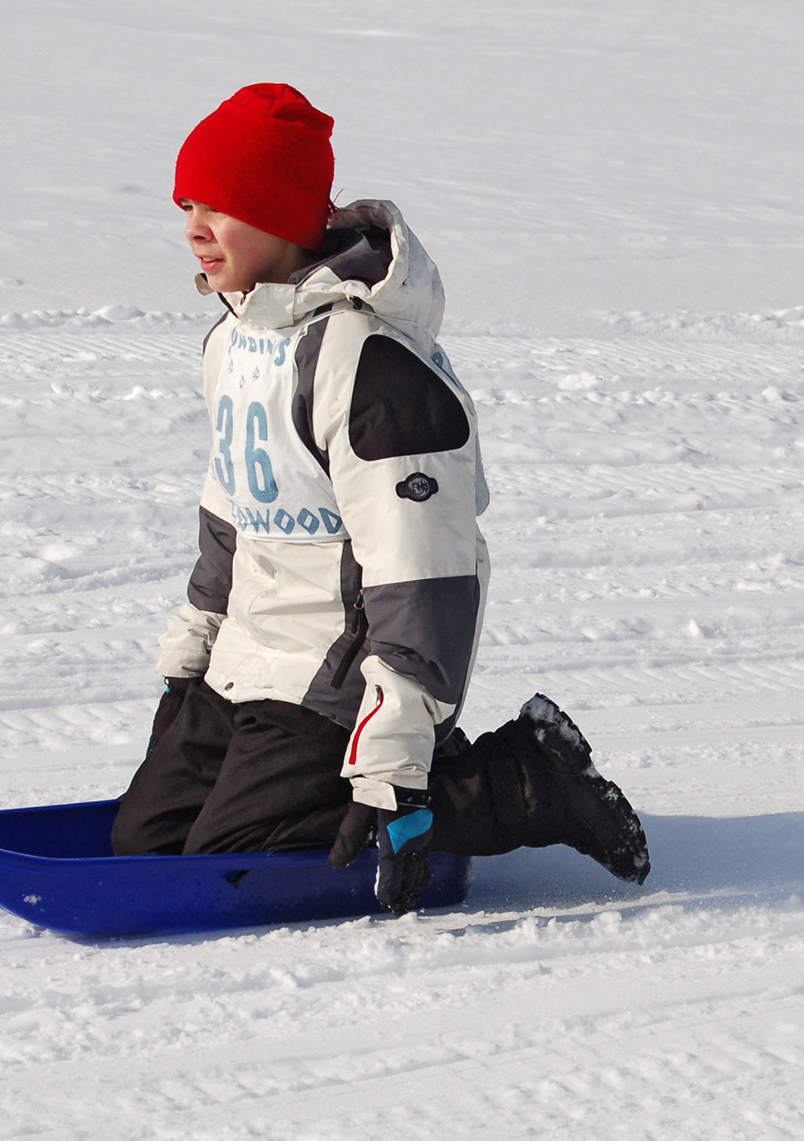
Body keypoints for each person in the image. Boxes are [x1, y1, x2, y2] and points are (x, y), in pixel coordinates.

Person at [110, 83, 648, 914]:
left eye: (224, 204)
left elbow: (421, 572)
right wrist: (194, 654)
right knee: (143, 845)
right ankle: (322, 777)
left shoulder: (367, 363)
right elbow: (232, 517)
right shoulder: (233, 341)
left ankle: (517, 783)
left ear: (286, 217)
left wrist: (395, 745)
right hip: (245, 663)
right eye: (188, 204)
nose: (195, 227)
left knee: (239, 854)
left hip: (337, 678)